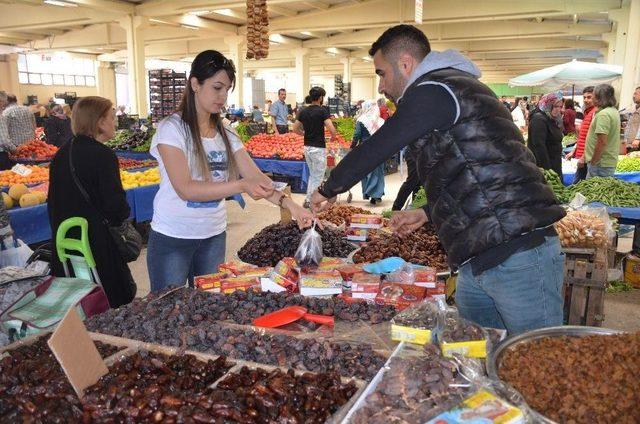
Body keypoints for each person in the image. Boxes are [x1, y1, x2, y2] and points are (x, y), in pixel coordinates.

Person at [310, 24, 565, 335]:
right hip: (478, 254)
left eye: (381, 73)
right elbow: (479, 170)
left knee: (535, 361)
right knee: (476, 354)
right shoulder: (447, 92)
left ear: (405, 64)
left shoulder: (437, 88)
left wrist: (328, 188)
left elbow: (381, 143)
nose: (380, 86)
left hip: (518, 253)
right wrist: (429, 212)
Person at [147, 50, 313, 292]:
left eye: (227, 89)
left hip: (213, 235)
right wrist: (240, 185)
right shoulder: (172, 130)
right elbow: (186, 189)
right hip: (174, 235)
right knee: (167, 308)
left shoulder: (227, 132)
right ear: (195, 84)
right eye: (217, 88)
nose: (223, 96)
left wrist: (290, 204)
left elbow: (255, 177)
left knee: (208, 306)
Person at [48, 96, 136, 308]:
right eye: (112, 118)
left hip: (68, 244)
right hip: (98, 246)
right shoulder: (102, 155)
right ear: (99, 122)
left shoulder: (62, 153)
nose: (115, 123)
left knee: (82, 304)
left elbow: (53, 202)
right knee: (111, 305)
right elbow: (116, 206)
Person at [293, 86, 337, 209]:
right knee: (318, 176)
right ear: (321, 97)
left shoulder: (303, 111)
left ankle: (308, 199)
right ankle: (312, 201)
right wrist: (333, 136)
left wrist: (303, 134)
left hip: (307, 147)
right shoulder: (322, 111)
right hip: (318, 148)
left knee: (313, 175)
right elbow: (331, 128)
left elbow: (294, 128)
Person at [584, 84, 621, 179]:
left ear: (599, 98)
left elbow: (602, 142)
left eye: (593, 96)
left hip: (600, 164)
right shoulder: (613, 111)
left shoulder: (603, 114)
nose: (592, 99)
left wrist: (593, 162)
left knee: (592, 192)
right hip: (606, 162)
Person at [352, 101, 386, 204]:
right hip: (379, 149)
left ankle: (369, 193)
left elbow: (357, 135)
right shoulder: (381, 121)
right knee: (378, 171)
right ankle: (377, 194)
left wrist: (352, 146)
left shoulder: (361, 120)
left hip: (365, 149)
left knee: (367, 171)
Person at [527, 92, 564, 178]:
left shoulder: (551, 118)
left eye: (560, 107)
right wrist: (548, 171)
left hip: (554, 163)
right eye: (555, 106)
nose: (558, 110)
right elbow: (539, 146)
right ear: (547, 105)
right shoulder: (539, 119)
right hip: (546, 167)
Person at [566, 86, 595, 184]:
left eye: (589, 97)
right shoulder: (587, 113)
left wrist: (583, 157)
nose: (586, 100)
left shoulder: (595, 113)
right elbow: (582, 137)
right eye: (584, 97)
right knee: (578, 185)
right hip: (582, 156)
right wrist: (574, 150)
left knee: (578, 185)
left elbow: (592, 139)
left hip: (586, 158)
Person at [0, 92, 17, 170]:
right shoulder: (1, 117)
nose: (4, 105)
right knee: (4, 179)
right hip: (1, 155)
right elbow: (4, 140)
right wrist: (14, 149)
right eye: (4, 102)